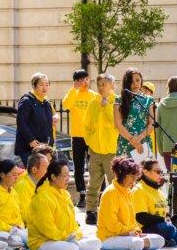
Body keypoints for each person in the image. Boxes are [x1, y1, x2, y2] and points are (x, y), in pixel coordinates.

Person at [27, 160, 102, 250]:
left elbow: (73, 224)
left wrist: (76, 235)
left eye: (69, 176)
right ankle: (74, 249)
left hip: (65, 240)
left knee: (95, 243)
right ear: (53, 177)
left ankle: (74, 248)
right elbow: (46, 228)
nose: (67, 179)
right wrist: (66, 238)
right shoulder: (43, 197)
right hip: (43, 242)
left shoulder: (65, 194)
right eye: (64, 176)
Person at [96, 157, 166, 250]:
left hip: (128, 235)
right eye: (132, 176)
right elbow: (112, 226)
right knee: (137, 243)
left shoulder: (128, 192)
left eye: (135, 177)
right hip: (109, 237)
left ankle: (139, 244)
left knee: (159, 239)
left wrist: (137, 231)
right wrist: (129, 233)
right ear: (122, 175)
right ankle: (140, 244)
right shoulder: (110, 193)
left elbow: (133, 221)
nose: (134, 180)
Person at [84, 73, 119, 225]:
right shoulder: (93, 102)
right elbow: (87, 125)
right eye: (99, 84)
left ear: (112, 85)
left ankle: (114, 210)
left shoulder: (117, 102)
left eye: (104, 84)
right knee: (93, 182)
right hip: (96, 149)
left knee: (114, 182)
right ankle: (91, 211)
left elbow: (117, 122)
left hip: (111, 149)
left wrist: (107, 107)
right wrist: (90, 141)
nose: (101, 87)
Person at [135, 159, 177, 247]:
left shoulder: (159, 192)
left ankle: (166, 241)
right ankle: (167, 240)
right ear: (146, 172)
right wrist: (164, 221)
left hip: (161, 227)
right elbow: (141, 217)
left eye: (161, 172)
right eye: (158, 172)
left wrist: (172, 220)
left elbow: (163, 214)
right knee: (169, 229)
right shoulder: (139, 189)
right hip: (144, 229)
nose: (161, 175)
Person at [62, 69, 98, 208]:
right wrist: (74, 89)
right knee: (78, 167)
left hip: (92, 136)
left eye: (87, 79)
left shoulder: (93, 95)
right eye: (82, 80)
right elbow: (65, 105)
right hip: (77, 136)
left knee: (94, 165)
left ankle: (96, 193)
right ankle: (82, 194)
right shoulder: (73, 94)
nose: (85, 82)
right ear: (76, 81)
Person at [16, 73, 56, 166]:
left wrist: (50, 143)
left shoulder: (46, 102)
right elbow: (21, 122)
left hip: (44, 147)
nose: (44, 88)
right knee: (34, 174)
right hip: (28, 147)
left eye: (47, 85)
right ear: (34, 86)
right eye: (41, 85)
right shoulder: (27, 100)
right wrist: (31, 140)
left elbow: (48, 124)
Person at [115, 68, 154, 158]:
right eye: (131, 81)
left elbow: (152, 123)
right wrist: (133, 140)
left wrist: (139, 138)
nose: (135, 83)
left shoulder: (148, 99)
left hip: (143, 143)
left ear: (141, 81)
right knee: (126, 171)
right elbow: (118, 124)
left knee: (145, 172)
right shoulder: (119, 99)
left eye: (137, 80)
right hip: (125, 142)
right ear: (126, 83)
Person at [14, 150, 49, 226]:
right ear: (34, 170)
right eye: (46, 168)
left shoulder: (44, 184)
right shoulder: (22, 186)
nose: (49, 172)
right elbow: (24, 215)